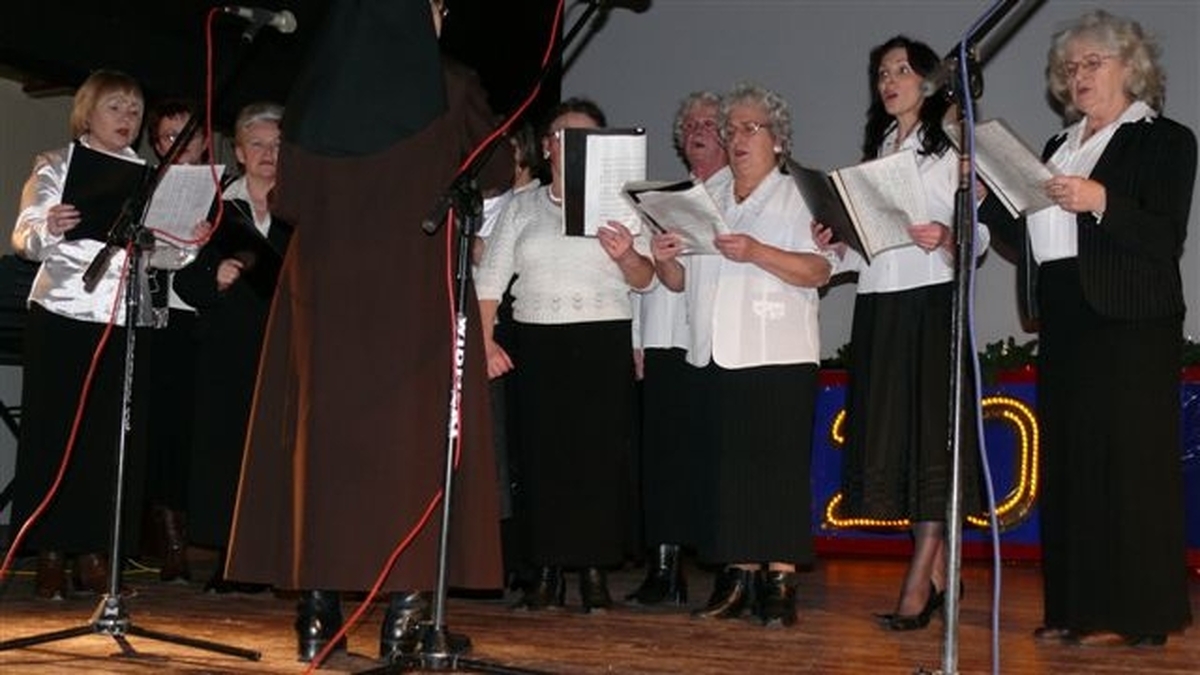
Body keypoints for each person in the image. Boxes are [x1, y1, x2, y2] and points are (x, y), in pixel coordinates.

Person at [222, 0, 510, 664]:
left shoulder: (318, 82)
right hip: (413, 288)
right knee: (410, 451)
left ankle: (317, 617)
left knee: (325, 454)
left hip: (323, 296)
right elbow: (496, 171)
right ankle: (404, 618)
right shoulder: (449, 83)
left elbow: (289, 200)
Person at [981, 10, 1194, 647]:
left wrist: (1099, 200)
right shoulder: (1057, 147)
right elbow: (1031, 234)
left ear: (1131, 67)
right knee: (1071, 465)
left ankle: (1143, 617)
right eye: (1069, 67)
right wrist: (989, 199)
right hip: (1067, 310)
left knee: (1131, 466)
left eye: (1092, 63)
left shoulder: (1164, 139)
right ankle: (1074, 608)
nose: (1077, 75)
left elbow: (1163, 234)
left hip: (1131, 319)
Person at [813, 35, 988, 631]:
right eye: (882, 72)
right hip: (880, 304)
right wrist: (835, 243)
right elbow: (869, 244)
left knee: (933, 439)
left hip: (931, 300)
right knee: (902, 441)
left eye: (901, 70)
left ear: (929, 80)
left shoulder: (954, 145)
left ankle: (920, 577)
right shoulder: (879, 149)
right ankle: (941, 575)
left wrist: (948, 236)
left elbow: (978, 235)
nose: (889, 81)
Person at [10, 69, 198, 600]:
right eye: (115, 107)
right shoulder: (55, 164)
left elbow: (162, 257)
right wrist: (51, 225)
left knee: (108, 442)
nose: (127, 118)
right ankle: (50, 554)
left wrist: (188, 242)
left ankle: (95, 554)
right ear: (86, 114)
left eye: (134, 110)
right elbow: (24, 236)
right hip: (64, 313)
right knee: (54, 435)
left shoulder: (149, 178)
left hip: (124, 320)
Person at [650, 83, 831, 627]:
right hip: (715, 351)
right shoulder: (709, 198)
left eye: (750, 128)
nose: (736, 138)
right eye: (731, 130)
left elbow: (818, 270)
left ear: (778, 140)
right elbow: (682, 282)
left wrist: (756, 252)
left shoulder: (799, 194)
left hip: (777, 350)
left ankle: (780, 581)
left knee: (776, 469)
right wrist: (664, 258)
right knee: (728, 471)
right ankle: (737, 576)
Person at [474, 97, 655, 613]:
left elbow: (645, 280)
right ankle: (546, 572)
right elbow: (490, 282)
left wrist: (627, 254)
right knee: (540, 459)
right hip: (536, 343)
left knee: (597, 460)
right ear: (547, 148)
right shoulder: (522, 207)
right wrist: (484, 342)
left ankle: (594, 572)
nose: (570, 146)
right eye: (562, 136)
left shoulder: (623, 206)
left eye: (584, 138)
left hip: (601, 341)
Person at [173, 102, 289, 594]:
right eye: (257, 144)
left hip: (286, 347)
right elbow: (182, 279)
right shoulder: (216, 208)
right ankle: (232, 559)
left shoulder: (304, 208)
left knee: (280, 453)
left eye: (277, 145)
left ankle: (280, 559)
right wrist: (213, 276)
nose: (268, 154)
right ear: (239, 152)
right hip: (227, 348)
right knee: (226, 454)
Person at [626, 90, 728, 607]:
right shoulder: (659, 201)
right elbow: (639, 277)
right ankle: (664, 570)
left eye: (708, 123)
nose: (696, 130)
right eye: (689, 124)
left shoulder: (739, 197)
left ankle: (727, 566)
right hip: (663, 339)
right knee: (663, 458)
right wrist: (636, 339)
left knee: (713, 458)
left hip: (715, 344)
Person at [140, 97, 209, 584]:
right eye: (170, 137)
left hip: (210, 320)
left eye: (189, 136)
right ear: (157, 144)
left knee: (202, 430)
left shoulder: (224, 190)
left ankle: (204, 535)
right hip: (164, 319)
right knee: (166, 429)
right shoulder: (143, 186)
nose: (181, 146)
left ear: (205, 141)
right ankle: (172, 542)